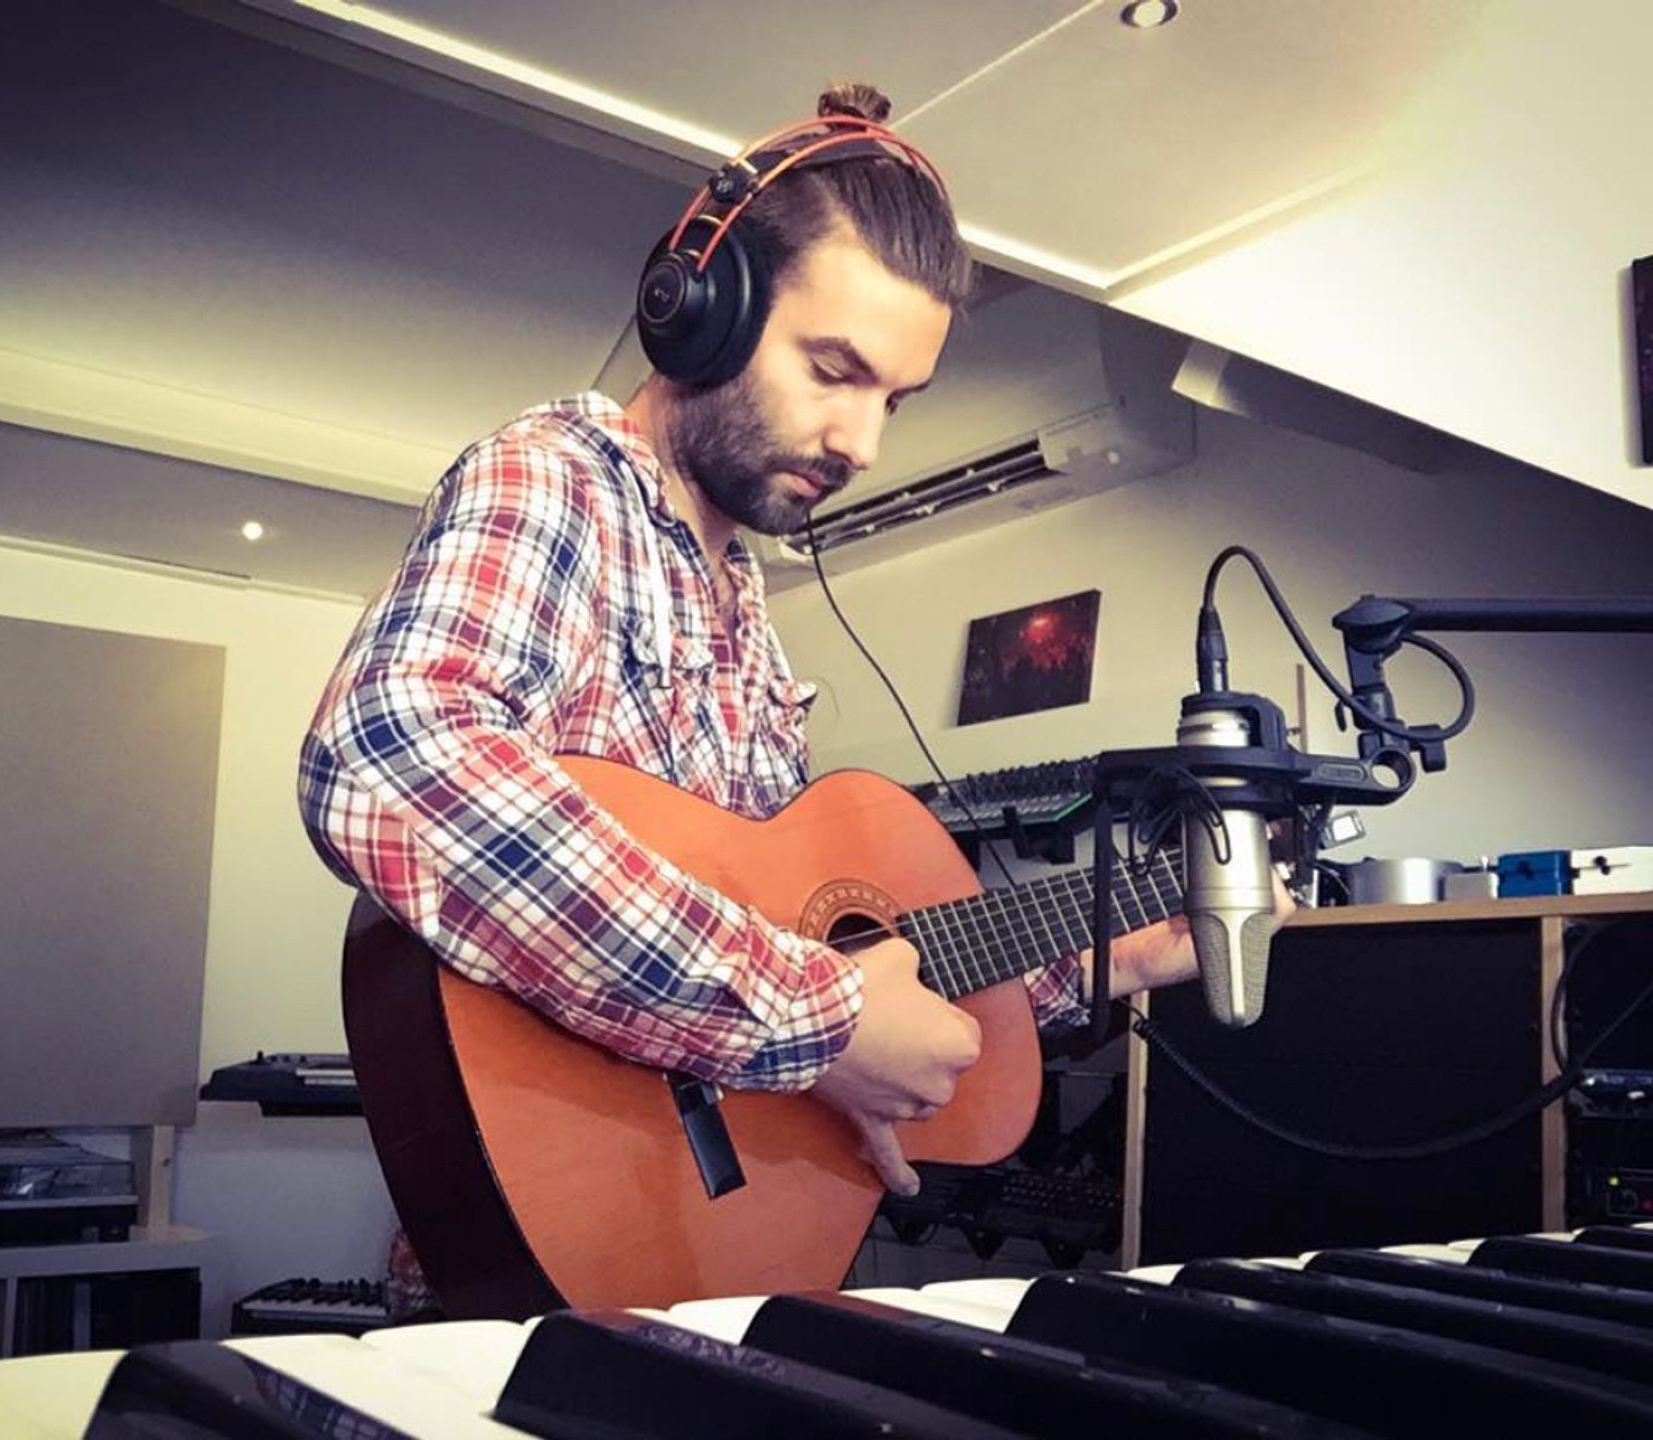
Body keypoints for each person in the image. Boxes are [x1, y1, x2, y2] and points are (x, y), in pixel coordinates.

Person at [299, 82, 1268, 1315]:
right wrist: (815, 1024)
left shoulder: (743, 601)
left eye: (893, 400)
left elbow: (810, 940)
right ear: (703, 311)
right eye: (833, 369)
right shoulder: (560, 482)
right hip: (541, 1262)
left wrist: (1105, 955)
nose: (864, 442)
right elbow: (387, 751)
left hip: (705, 1255)